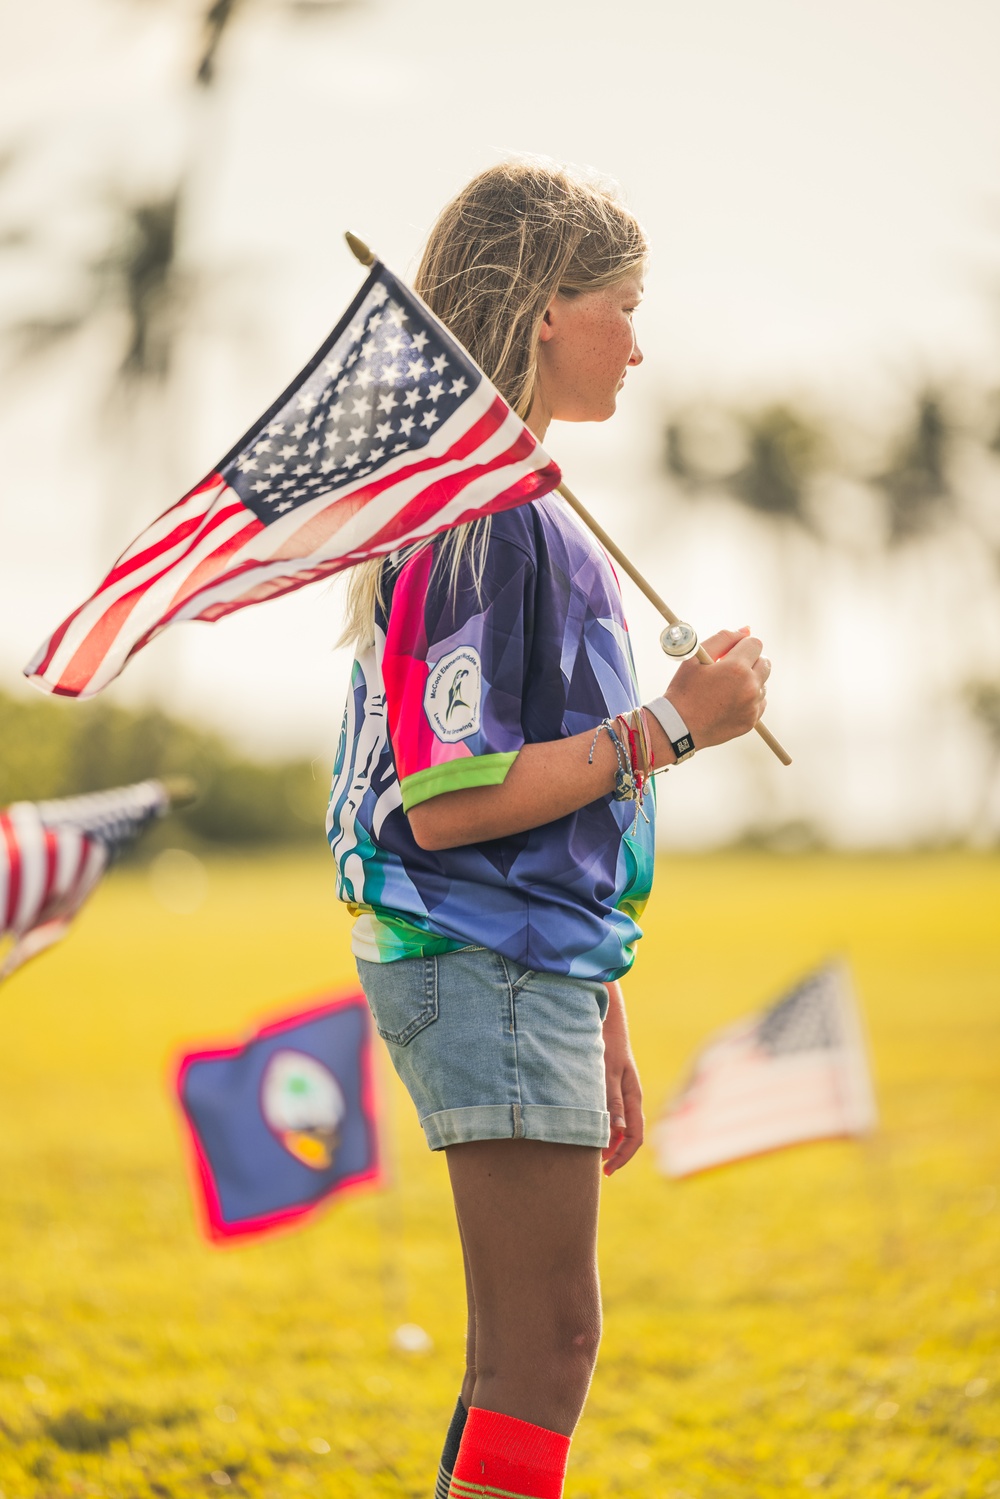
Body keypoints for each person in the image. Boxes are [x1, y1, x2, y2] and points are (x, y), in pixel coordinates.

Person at [328, 159, 770, 1499]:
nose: (639, 342)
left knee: (517, 1351)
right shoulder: (485, 518)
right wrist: (670, 728)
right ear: (542, 316)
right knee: (547, 1348)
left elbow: (547, 832)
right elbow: (451, 797)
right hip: (483, 963)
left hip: (532, 969)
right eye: (622, 305)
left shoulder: (522, 505)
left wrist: (606, 1008)